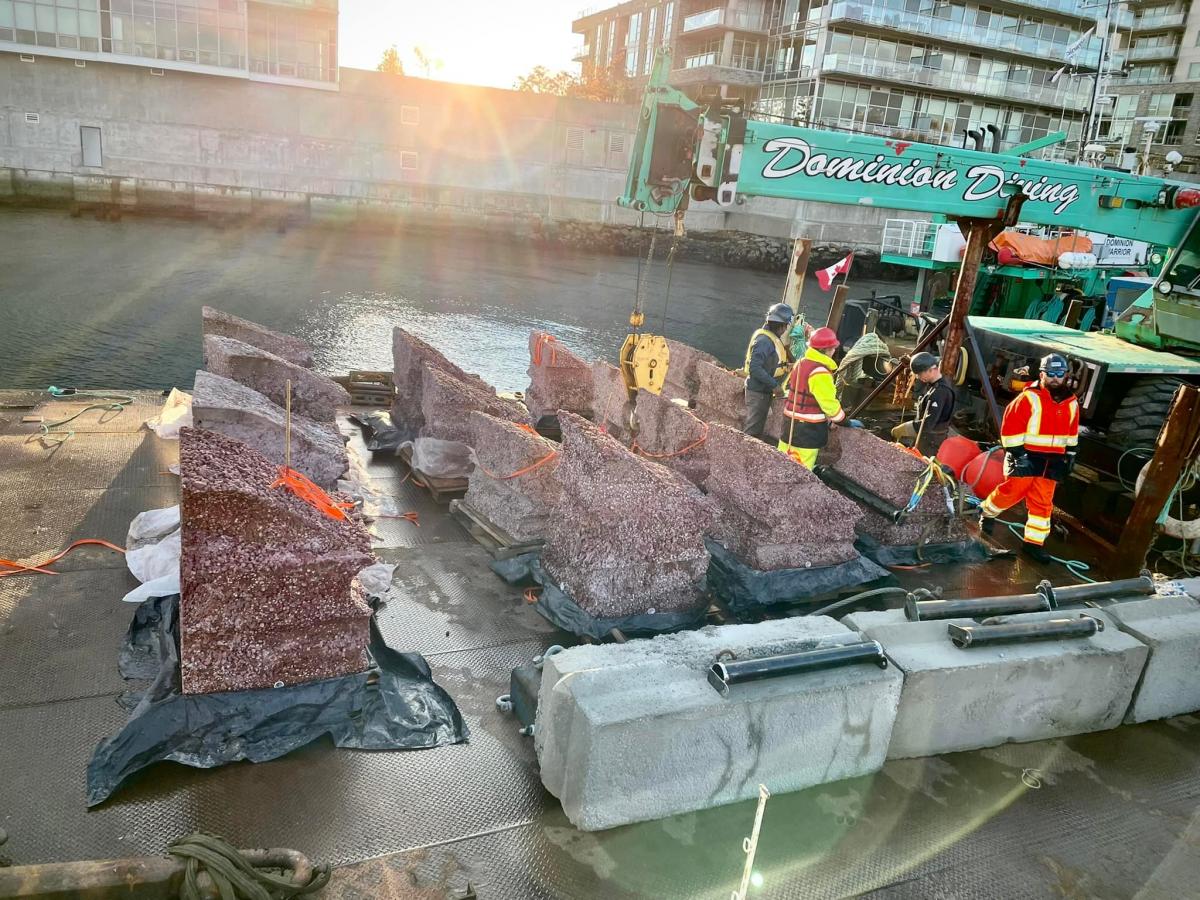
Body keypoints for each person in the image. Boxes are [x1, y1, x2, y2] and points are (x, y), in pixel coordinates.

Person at [979, 353, 1080, 562]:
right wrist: (1017, 454)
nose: (1055, 378)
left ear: (1065, 375)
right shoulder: (1029, 397)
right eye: (1050, 373)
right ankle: (987, 512)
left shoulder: (1071, 403)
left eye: (1059, 373)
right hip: (1027, 456)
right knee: (1012, 492)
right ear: (1042, 374)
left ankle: (1033, 544)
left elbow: (1072, 431)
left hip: (1052, 462)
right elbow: (1010, 428)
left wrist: (1071, 455)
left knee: (1043, 503)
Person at [778, 326, 845, 469]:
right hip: (808, 429)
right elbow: (828, 403)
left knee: (782, 462)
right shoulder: (820, 372)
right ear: (827, 350)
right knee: (803, 467)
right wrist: (843, 419)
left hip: (789, 421)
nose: (834, 351)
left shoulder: (801, 363)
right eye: (833, 348)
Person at [742, 302, 794, 440]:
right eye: (786, 326)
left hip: (762, 391)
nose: (785, 330)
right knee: (752, 429)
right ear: (782, 325)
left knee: (757, 426)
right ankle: (743, 454)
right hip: (758, 392)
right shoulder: (764, 341)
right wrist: (775, 386)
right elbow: (755, 368)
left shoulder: (769, 338)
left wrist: (786, 366)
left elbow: (769, 363)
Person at [891, 351, 956, 457]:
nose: (917, 377)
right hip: (926, 438)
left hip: (931, 443)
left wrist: (906, 428)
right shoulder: (936, 384)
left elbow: (928, 424)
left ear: (930, 370)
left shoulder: (940, 393)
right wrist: (910, 362)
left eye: (919, 373)